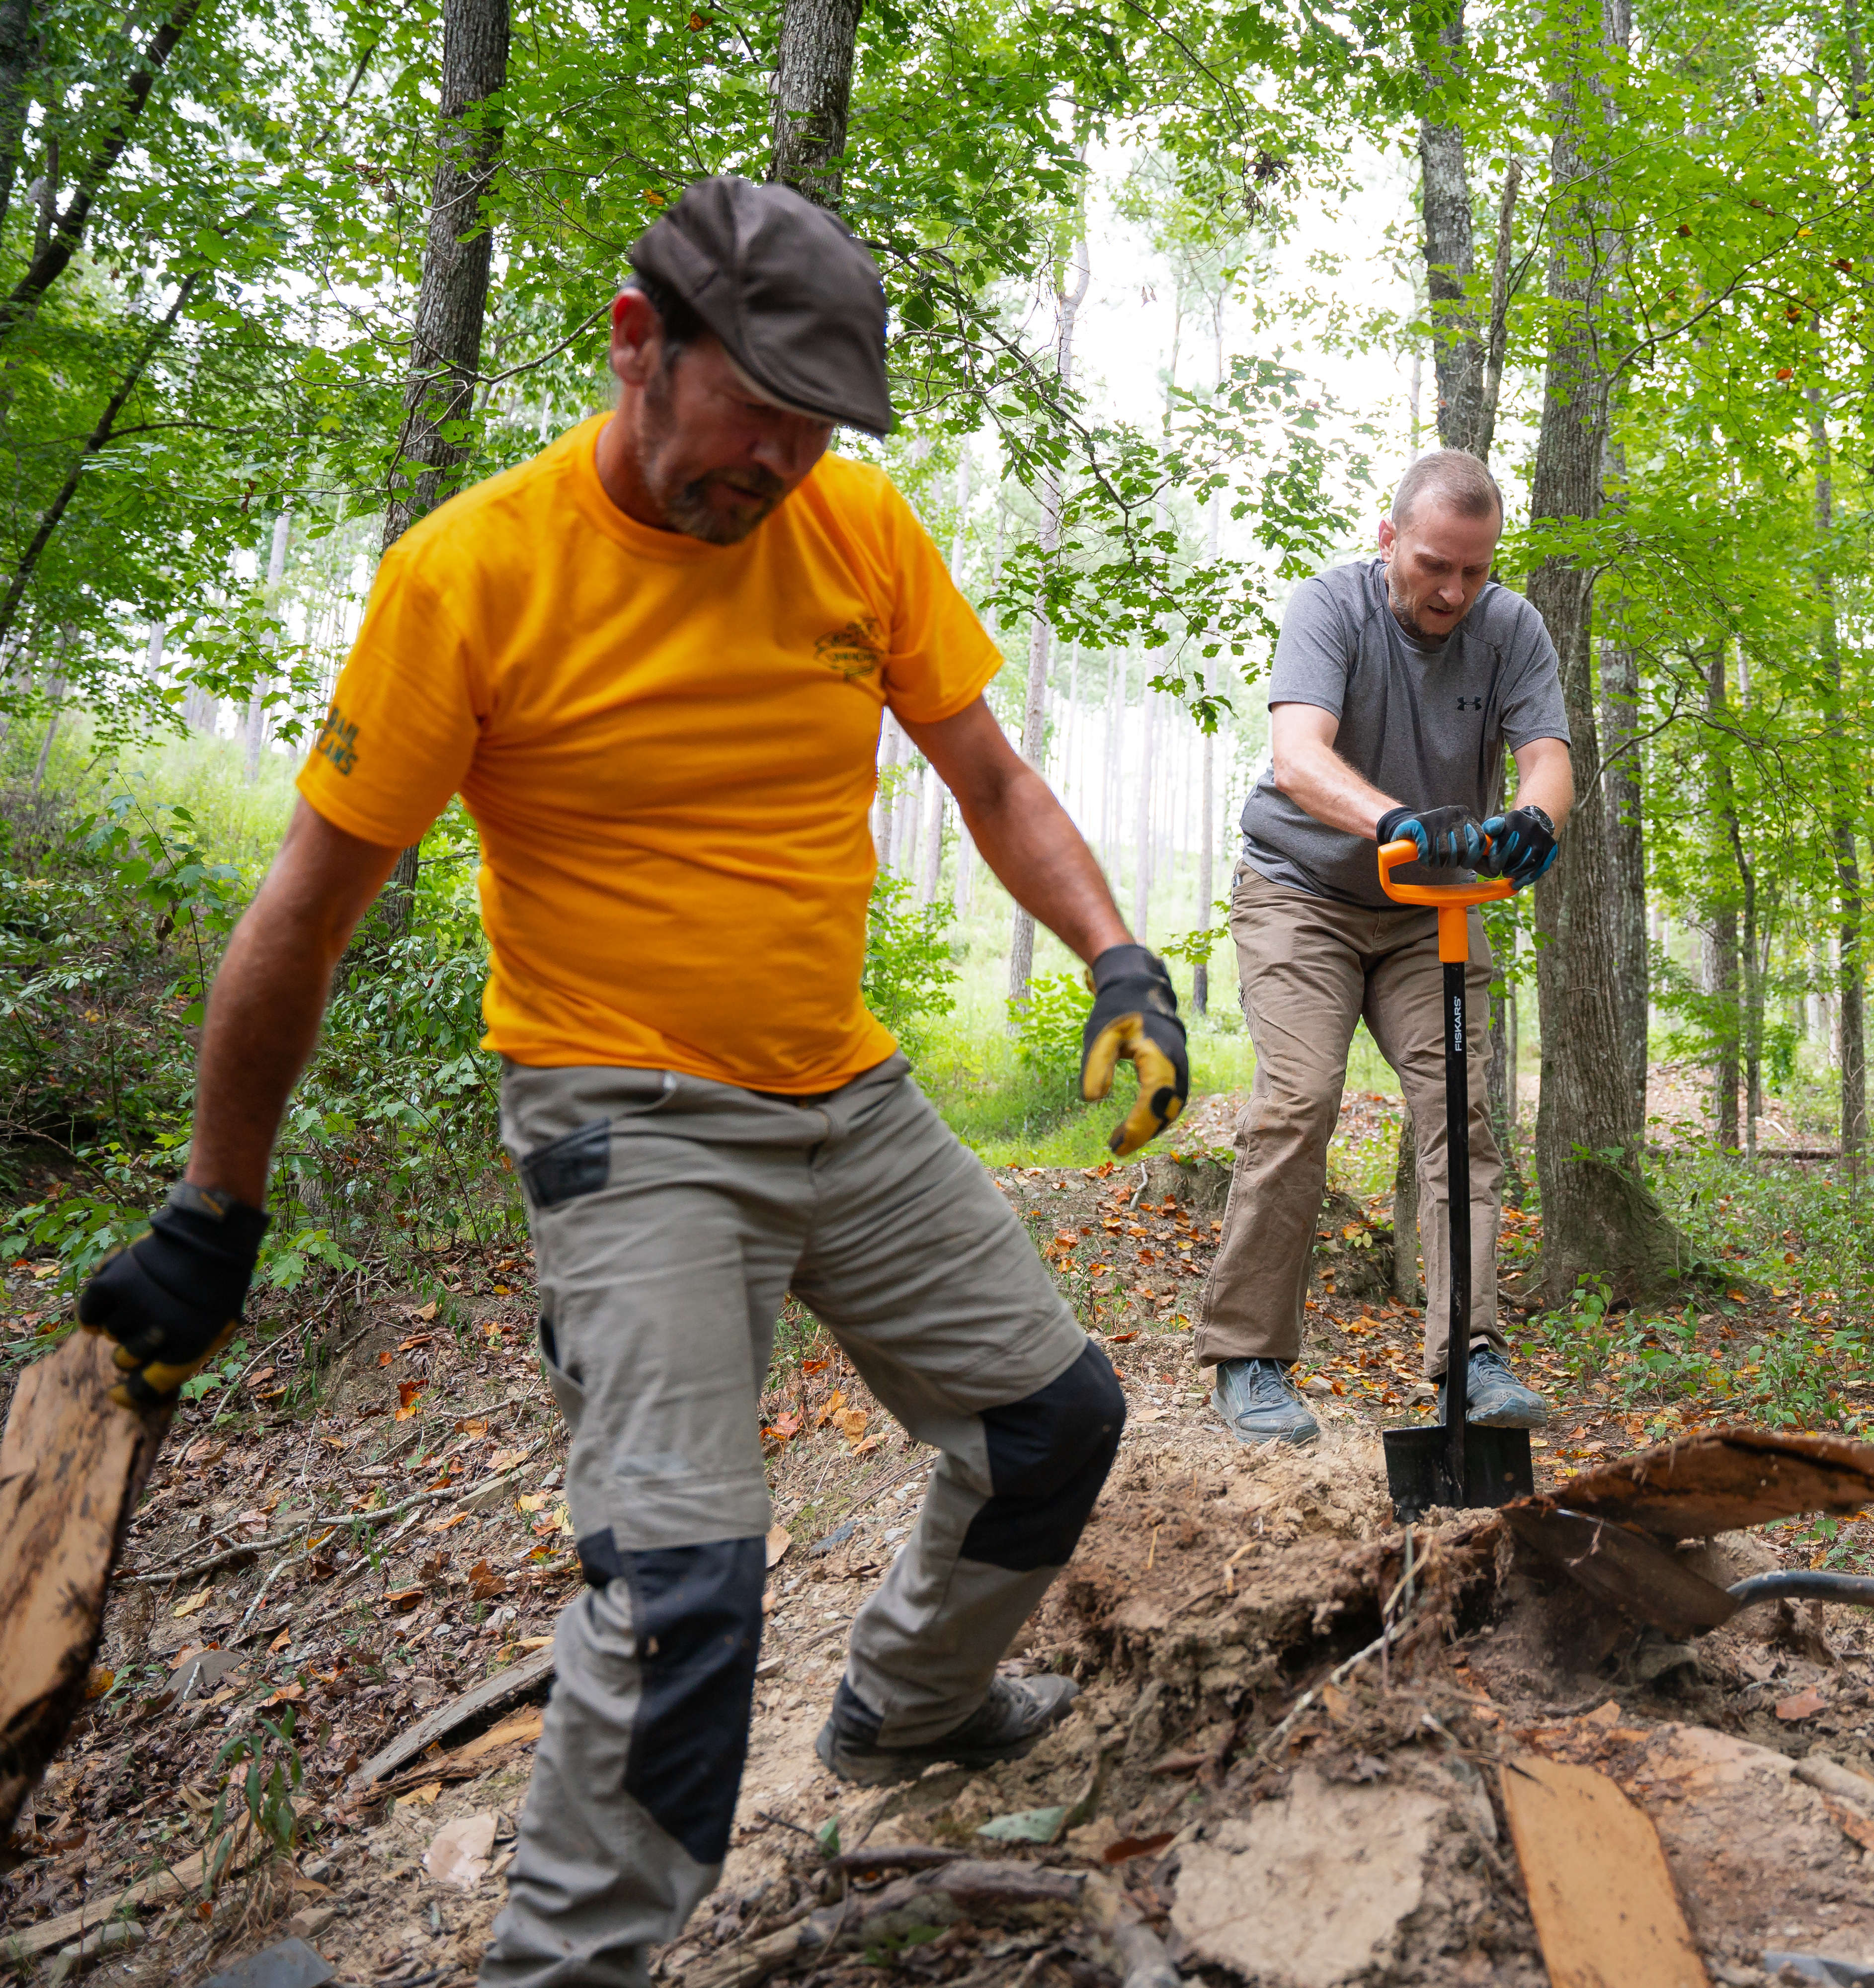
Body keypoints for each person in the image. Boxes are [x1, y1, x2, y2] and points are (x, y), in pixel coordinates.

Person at [73, 178, 1190, 1987]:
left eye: (817, 431)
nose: (781, 464)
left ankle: (905, 1712)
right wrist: (215, 1210)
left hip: (849, 1094)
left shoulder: (855, 529)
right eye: (757, 410)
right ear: (633, 342)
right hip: (627, 1125)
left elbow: (987, 775)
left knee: (1052, 1426)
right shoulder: (474, 574)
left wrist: (1118, 963)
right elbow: (305, 914)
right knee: (683, 1598)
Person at [1195, 448, 1573, 1445]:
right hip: (1302, 892)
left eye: (1474, 571)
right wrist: (1399, 818)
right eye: (1435, 564)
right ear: (1390, 538)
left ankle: (1472, 1356)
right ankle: (1248, 1355)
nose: (1453, 589)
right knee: (1299, 1097)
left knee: (1461, 1113)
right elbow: (1299, 756)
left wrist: (1537, 817)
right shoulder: (1331, 609)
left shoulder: (1513, 629)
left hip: (1431, 912)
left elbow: (1547, 756)